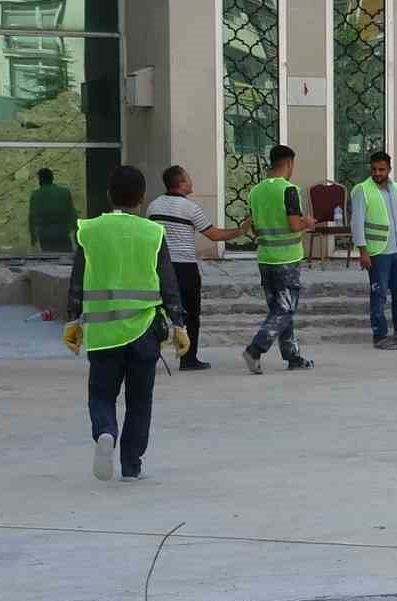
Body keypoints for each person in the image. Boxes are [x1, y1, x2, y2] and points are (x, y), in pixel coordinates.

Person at [60, 165, 189, 482]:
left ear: (109, 196)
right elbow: (168, 283)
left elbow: (77, 281)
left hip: (104, 333)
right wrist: (179, 324)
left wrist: (72, 321)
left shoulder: (89, 231)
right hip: (144, 330)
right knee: (139, 401)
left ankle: (105, 432)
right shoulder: (153, 233)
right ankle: (132, 466)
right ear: (142, 198)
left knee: (102, 396)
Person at [147, 165, 250, 371]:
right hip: (185, 268)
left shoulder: (153, 206)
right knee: (191, 314)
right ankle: (188, 359)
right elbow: (214, 235)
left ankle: (149, 355)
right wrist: (242, 230)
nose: (192, 181)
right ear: (181, 183)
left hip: (159, 267)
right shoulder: (191, 209)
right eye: (189, 178)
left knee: (157, 312)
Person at [239, 145, 317, 374]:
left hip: (265, 258)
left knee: (280, 309)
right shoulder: (289, 190)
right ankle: (255, 349)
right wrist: (308, 223)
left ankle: (293, 357)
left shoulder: (255, 191)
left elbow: (252, 227)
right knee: (285, 310)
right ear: (289, 163)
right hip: (287, 260)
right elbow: (294, 224)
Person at [351, 150, 397, 349]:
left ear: (389, 169)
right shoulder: (362, 190)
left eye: (382, 169)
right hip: (377, 252)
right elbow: (357, 223)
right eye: (374, 169)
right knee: (379, 294)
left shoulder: (395, 188)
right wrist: (363, 252)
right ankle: (380, 336)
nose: (378, 173)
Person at [30, 168, 78, 253]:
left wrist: (33, 236)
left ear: (40, 179)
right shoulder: (64, 192)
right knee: (66, 258)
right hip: (62, 233)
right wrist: (76, 232)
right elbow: (72, 214)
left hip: (45, 235)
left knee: (50, 259)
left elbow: (32, 217)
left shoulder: (35, 195)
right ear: (52, 178)